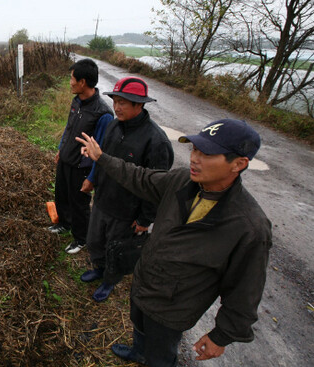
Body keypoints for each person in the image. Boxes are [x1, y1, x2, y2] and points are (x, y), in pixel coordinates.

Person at [76, 118, 272, 367]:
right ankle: (138, 352)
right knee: (139, 327)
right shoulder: (182, 182)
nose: (194, 158)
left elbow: (245, 291)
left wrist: (221, 336)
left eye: (207, 153)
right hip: (145, 285)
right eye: (195, 149)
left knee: (161, 355)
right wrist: (102, 158)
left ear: (239, 164)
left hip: (173, 309)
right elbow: (139, 177)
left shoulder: (248, 227)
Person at [79, 76, 174, 302]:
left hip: (126, 210)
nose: (117, 107)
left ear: (139, 105)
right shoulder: (114, 126)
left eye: (124, 102)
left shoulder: (156, 141)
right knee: (95, 241)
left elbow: (156, 187)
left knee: (117, 249)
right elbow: (103, 158)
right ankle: (99, 269)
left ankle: (110, 280)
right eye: (115, 101)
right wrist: (93, 178)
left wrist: (145, 218)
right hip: (103, 200)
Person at [48, 58, 113, 254]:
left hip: (82, 167)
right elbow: (69, 129)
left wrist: (92, 178)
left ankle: (81, 238)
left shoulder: (103, 114)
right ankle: (65, 224)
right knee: (62, 195)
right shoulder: (77, 102)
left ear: (82, 82)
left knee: (79, 204)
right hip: (66, 159)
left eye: (72, 78)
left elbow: (102, 151)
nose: (70, 82)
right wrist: (61, 149)